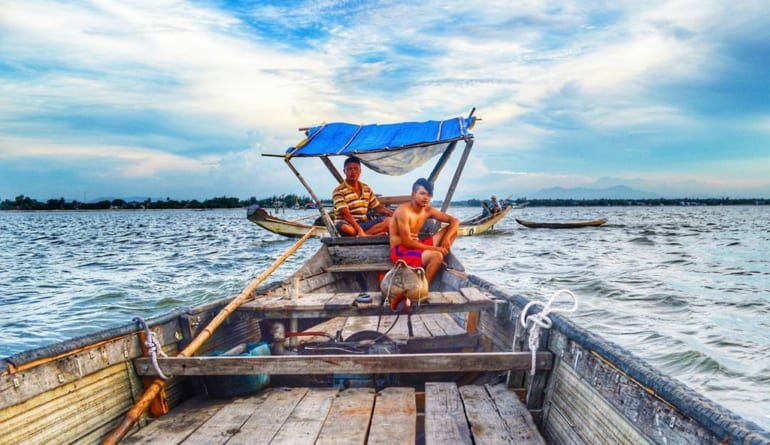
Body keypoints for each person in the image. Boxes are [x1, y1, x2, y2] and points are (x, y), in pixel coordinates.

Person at [389, 178, 459, 287]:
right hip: (401, 251)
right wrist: (436, 250)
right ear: (413, 194)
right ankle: (422, 291)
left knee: (453, 230)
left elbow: (455, 221)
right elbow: (407, 242)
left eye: (429, 195)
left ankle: (436, 260)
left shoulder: (427, 210)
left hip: (417, 246)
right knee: (437, 256)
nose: (426, 198)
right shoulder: (403, 211)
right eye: (422, 193)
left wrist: (446, 238)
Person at [332, 156, 393, 236]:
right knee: (343, 227)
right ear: (344, 171)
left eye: (355, 168)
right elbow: (345, 214)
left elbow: (378, 208)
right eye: (349, 169)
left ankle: (365, 235)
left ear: (360, 171)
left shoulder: (366, 188)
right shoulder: (338, 191)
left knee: (390, 221)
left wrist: (393, 213)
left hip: (364, 224)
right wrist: (359, 229)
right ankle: (368, 235)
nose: (353, 171)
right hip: (348, 224)